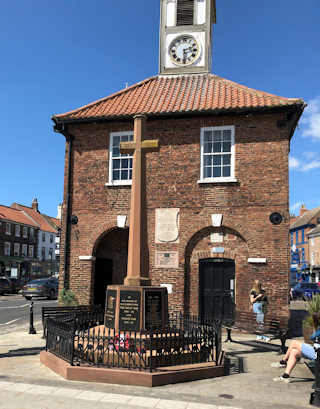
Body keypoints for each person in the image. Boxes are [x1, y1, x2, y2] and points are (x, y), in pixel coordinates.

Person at [272, 312, 320, 383]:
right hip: (316, 352)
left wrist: (315, 327)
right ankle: (285, 376)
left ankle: (283, 361)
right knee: (294, 351)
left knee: (294, 343)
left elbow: (312, 337)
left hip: (317, 354)